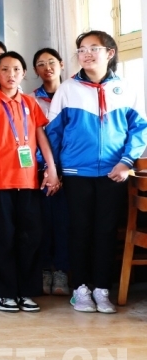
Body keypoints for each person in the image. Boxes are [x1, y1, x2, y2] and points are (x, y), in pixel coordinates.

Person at [47, 31, 147, 314]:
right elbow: (53, 133)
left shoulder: (126, 89)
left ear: (109, 53)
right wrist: (52, 169)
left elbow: (140, 129)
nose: (86, 54)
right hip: (76, 172)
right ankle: (80, 290)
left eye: (94, 48)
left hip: (113, 173)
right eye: (81, 49)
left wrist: (126, 162)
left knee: (105, 231)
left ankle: (102, 290)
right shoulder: (67, 89)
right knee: (79, 230)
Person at [0, 51, 60, 313]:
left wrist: (51, 168)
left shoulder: (30, 102)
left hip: (28, 182)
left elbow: (41, 137)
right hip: (0, 183)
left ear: (24, 73)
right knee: (2, 238)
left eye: (16, 69)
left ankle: (26, 291)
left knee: (29, 238)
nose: (10, 74)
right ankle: (3, 293)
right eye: (4, 69)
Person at [32, 48, 70, 297]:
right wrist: (47, 168)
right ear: (35, 70)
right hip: (41, 170)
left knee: (65, 222)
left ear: (61, 64)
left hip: (70, 169)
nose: (47, 67)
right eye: (41, 64)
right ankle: (45, 269)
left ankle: (62, 271)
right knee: (43, 221)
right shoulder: (31, 99)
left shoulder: (72, 95)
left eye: (51, 62)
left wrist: (60, 169)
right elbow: (31, 137)